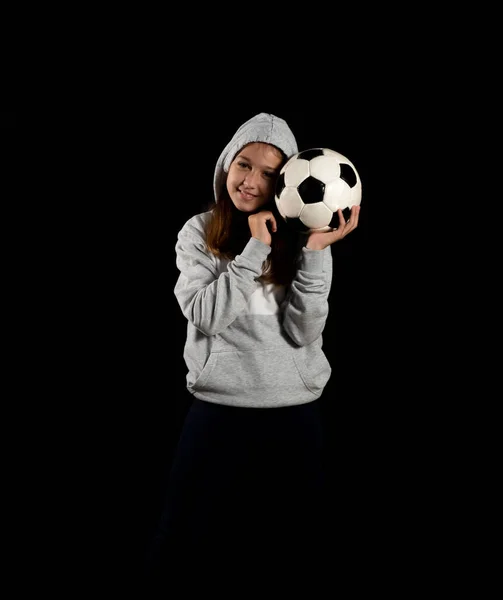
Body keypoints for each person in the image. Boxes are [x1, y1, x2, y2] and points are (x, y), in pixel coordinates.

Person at [143, 112, 360, 584]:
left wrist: (317, 250)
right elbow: (206, 315)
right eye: (244, 164)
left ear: (284, 182)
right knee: (181, 538)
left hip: (293, 407)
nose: (251, 180)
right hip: (219, 405)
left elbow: (304, 332)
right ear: (226, 165)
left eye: (268, 173)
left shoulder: (304, 231)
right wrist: (253, 250)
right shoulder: (199, 231)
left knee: (299, 543)